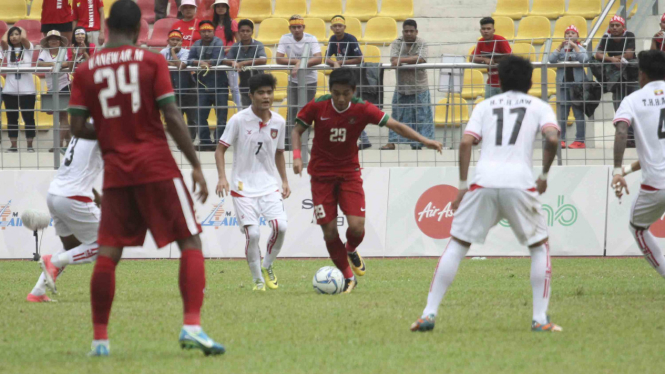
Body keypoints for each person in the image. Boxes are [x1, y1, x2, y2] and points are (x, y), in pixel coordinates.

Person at [68, 0, 224, 356]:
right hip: (156, 166)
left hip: (116, 172)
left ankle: (100, 341)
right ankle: (192, 326)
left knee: (108, 254)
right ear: (140, 27)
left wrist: (111, 132)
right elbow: (171, 114)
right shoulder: (152, 61)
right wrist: (196, 165)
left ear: (106, 25)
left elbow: (75, 126)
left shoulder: (86, 70)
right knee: (190, 242)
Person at [410, 56, 562, 333]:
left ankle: (428, 313)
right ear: (530, 82)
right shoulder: (539, 106)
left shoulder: (485, 105)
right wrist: (544, 176)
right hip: (520, 183)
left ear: (499, 81)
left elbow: (466, 142)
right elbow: (552, 139)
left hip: (483, 182)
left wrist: (462, 185)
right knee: (539, 248)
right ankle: (540, 319)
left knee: (457, 245)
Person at [292, 68, 443, 293]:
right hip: (321, 177)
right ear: (330, 91)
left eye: (346, 93)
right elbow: (296, 130)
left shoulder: (363, 108)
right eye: (336, 93)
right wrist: (296, 157)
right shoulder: (317, 105)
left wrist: (425, 140)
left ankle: (351, 249)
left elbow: (396, 125)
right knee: (330, 231)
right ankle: (348, 276)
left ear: (354, 91)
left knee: (356, 227)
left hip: (349, 174)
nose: (341, 99)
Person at [215, 74, 289, 291]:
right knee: (254, 233)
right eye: (261, 93)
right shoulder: (238, 120)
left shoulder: (279, 121)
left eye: (269, 92)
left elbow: (279, 153)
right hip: (242, 188)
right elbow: (220, 150)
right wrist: (222, 178)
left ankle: (267, 266)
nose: (266, 97)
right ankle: (258, 281)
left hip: (268, 186)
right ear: (251, 96)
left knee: (281, 227)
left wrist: (284, 180)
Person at [611, 50, 665, 284]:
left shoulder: (632, 100)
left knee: (638, 227)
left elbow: (622, 131)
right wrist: (628, 171)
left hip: (657, 184)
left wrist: (616, 169)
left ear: (641, 74)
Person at [27, 137, 102, 302]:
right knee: (107, 244)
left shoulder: (83, 131)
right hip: (73, 197)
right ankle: (54, 261)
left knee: (72, 246)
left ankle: (37, 292)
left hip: (54, 193)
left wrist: (96, 196)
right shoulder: (105, 126)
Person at [383, 19, 434, 150]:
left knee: (422, 116)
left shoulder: (421, 43)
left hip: (419, 87)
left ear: (416, 31)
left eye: (411, 31)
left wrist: (402, 60)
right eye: (406, 31)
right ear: (403, 32)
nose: (409, 33)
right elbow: (393, 60)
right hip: (401, 87)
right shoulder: (397, 43)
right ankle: (392, 142)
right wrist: (404, 60)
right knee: (396, 115)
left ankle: (419, 143)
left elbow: (421, 58)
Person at [276, 14, 322, 149]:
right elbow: (278, 59)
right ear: (290, 28)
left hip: (310, 80)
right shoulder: (285, 38)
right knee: (291, 110)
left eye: (299, 27)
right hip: (294, 80)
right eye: (294, 27)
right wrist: (299, 62)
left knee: (307, 111)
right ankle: (289, 142)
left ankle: (304, 142)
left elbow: (319, 58)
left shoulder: (311, 38)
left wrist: (300, 64)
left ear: (303, 27)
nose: (296, 30)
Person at [324, 15, 370, 150]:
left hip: (352, 78)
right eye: (335, 26)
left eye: (340, 26)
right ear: (331, 28)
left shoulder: (350, 39)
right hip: (342, 78)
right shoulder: (333, 39)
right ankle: (359, 139)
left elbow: (360, 58)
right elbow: (326, 58)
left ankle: (363, 138)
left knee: (352, 107)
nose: (337, 28)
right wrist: (334, 63)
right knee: (344, 108)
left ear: (344, 27)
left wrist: (340, 62)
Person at [595, 15, 637, 146]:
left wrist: (611, 58)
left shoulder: (629, 35)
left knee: (634, 107)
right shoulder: (606, 37)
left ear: (623, 26)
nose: (614, 27)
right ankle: (627, 138)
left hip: (632, 77)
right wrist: (613, 60)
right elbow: (597, 55)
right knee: (619, 107)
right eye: (612, 25)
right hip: (616, 78)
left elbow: (629, 55)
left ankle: (635, 137)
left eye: (617, 25)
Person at [188, 20, 228, 150]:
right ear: (199, 32)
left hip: (220, 85)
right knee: (200, 116)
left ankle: (219, 143)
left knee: (221, 116)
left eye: (209, 31)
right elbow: (189, 60)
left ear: (213, 32)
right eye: (204, 31)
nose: (206, 34)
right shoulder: (196, 44)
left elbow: (217, 60)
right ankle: (205, 143)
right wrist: (200, 63)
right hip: (202, 85)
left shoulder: (218, 42)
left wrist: (198, 62)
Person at [549, 25, 588, 149]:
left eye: (573, 33)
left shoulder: (581, 48)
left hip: (577, 86)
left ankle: (580, 140)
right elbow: (551, 60)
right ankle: (561, 139)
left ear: (577, 36)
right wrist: (560, 47)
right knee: (563, 114)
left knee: (578, 114)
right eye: (567, 33)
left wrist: (575, 47)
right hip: (563, 85)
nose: (570, 35)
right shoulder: (560, 50)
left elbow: (584, 60)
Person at [1, 27, 37, 153]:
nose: (14, 37)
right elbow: (3, 41)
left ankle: (30, 146)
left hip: (27, 91)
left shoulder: (28, 48)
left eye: (17, 34)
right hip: (9, 91)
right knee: (12, 118)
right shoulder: (7, 49)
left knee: (29, 118)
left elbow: (23, 39)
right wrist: (8, 31)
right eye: (12, 35)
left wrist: (19, 29)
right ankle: (13, 146)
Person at [38, 30, 73, 152]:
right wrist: (54, 64)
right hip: (52, 86)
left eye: (56, 38)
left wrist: (56, 66)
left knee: (62, 115)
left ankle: (58, 145)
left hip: (64, 84)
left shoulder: (63, 51)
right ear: (47, 41)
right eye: (51, 38)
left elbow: (67, 63)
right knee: (60, 116)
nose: (54, 40)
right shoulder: (44, 52)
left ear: (60, 41)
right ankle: (69, 143)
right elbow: (39, 63)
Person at [161, 29, 198, 140]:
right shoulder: (163, 52)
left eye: (178, 40)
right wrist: (174, 63)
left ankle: (190, 140)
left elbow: (180, 66)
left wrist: (172, 53)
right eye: (172, 40)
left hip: (188, 90)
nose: (175, 42)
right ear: (168, 40)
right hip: (173, 90)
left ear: (182, 42)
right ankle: (180, 140)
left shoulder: (187, 52)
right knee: (177, 118)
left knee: (192, 118)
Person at [223, 19, 267, 108]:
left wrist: (243, 63)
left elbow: (263, 60)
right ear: (238, 32)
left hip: (259, 84)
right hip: (244, 85)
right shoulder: (235, 46)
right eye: (242, 31)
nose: (245, 33)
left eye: (248, 31)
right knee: (246, 112)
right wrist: (232, 62)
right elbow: (224, 60)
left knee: (260, 110)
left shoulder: (258, 45)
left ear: (252, 32)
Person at [472, 17, 512, 99]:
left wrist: (493, 60)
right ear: (480, 30)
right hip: (491, 83)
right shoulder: (481, 41)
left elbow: (509, 56)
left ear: (493, 30)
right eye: (483, 29)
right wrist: (485, 59)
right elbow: (472, 58)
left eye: (488, 29)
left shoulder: (501, 40)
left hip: (504, 82)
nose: (486, 31)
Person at [211, 0, 241, 108]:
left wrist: (229, 49)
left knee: (234, 87)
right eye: (218, 6)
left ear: (227, 8)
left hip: (230, 56)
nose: (220, 8)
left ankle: (238, 109)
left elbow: (239, 42)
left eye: (223, 6)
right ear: (215, 9)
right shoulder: (211, 24)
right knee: (218, 86)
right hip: (215, 57)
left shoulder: (232, 22)